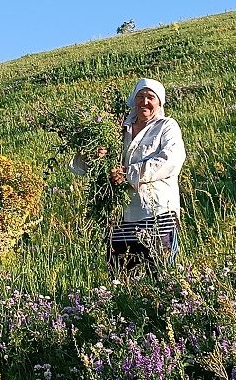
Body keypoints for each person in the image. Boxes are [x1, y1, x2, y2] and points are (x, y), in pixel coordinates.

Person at [73, 78, 186, 271]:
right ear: (133, 100)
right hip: (121, 215)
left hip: (157, 211)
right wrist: (94, 154)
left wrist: (128, 173)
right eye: (140, 96)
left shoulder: (166, 127)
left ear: (159, 102)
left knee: (160, 271)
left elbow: (170, 160)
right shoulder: (117, 129)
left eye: (151, 97)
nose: (144, 102)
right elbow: (83, 167)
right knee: (122, 274)